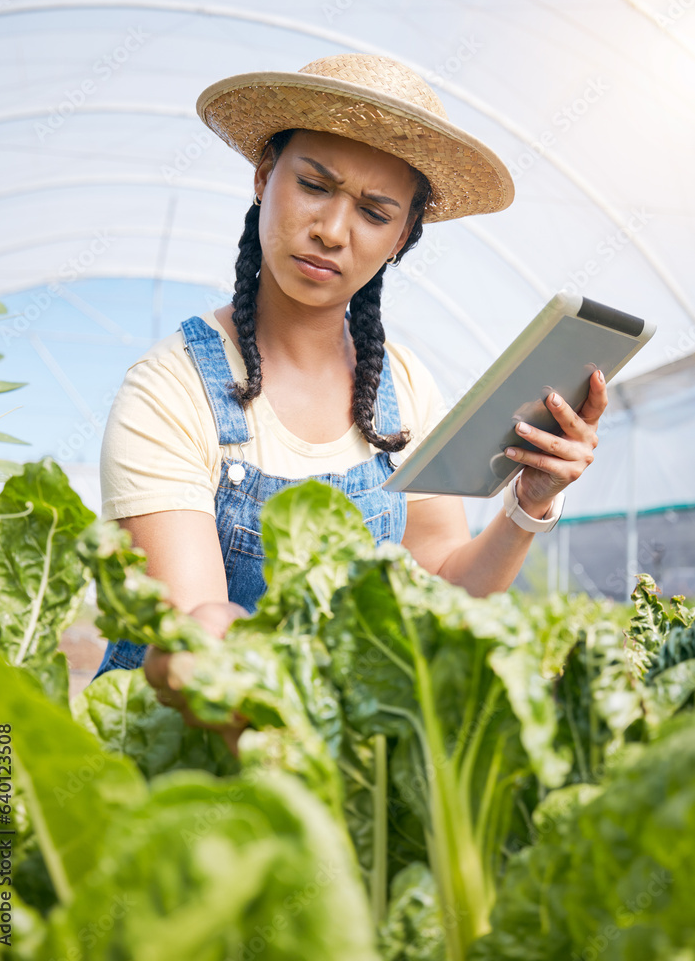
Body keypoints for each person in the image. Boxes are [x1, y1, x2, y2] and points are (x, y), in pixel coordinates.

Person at [91, 54, 606, 727]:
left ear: (401, 237)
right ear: (262, 176)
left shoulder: (403, 386)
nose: (332, 231)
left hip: (329, 767)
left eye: (372, 211)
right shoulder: (170, 389)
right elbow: (194, 653)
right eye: (313, 184)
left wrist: (527, 506)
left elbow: (442, 590)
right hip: (175, 777)